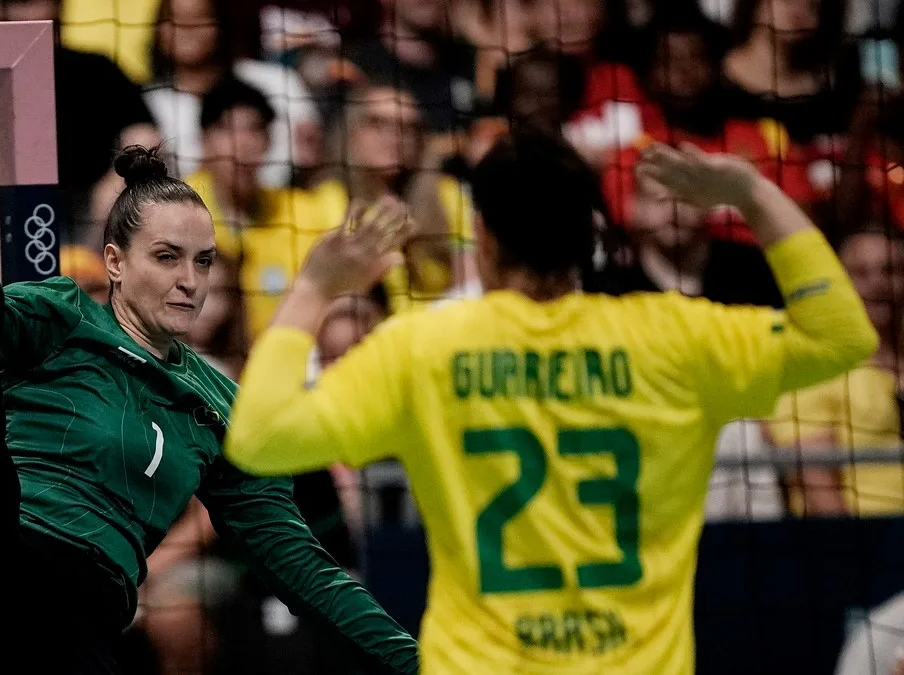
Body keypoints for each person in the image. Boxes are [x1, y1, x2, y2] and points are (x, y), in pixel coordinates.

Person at [221, 127, 879, 674]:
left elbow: (259, 437)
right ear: (590, 233)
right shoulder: (674, 335)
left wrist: (313, 288)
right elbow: (842, 336)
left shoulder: (426, 347)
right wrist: (749, 191)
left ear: (483, 234)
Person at [0, 146, 419, 674]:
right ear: (116, 262)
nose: (190, 279)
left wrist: (419, 662)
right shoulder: (65, 313)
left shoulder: (224, 407)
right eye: (167, 256)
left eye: (204, 261)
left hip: (68, 619)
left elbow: (302, 567)